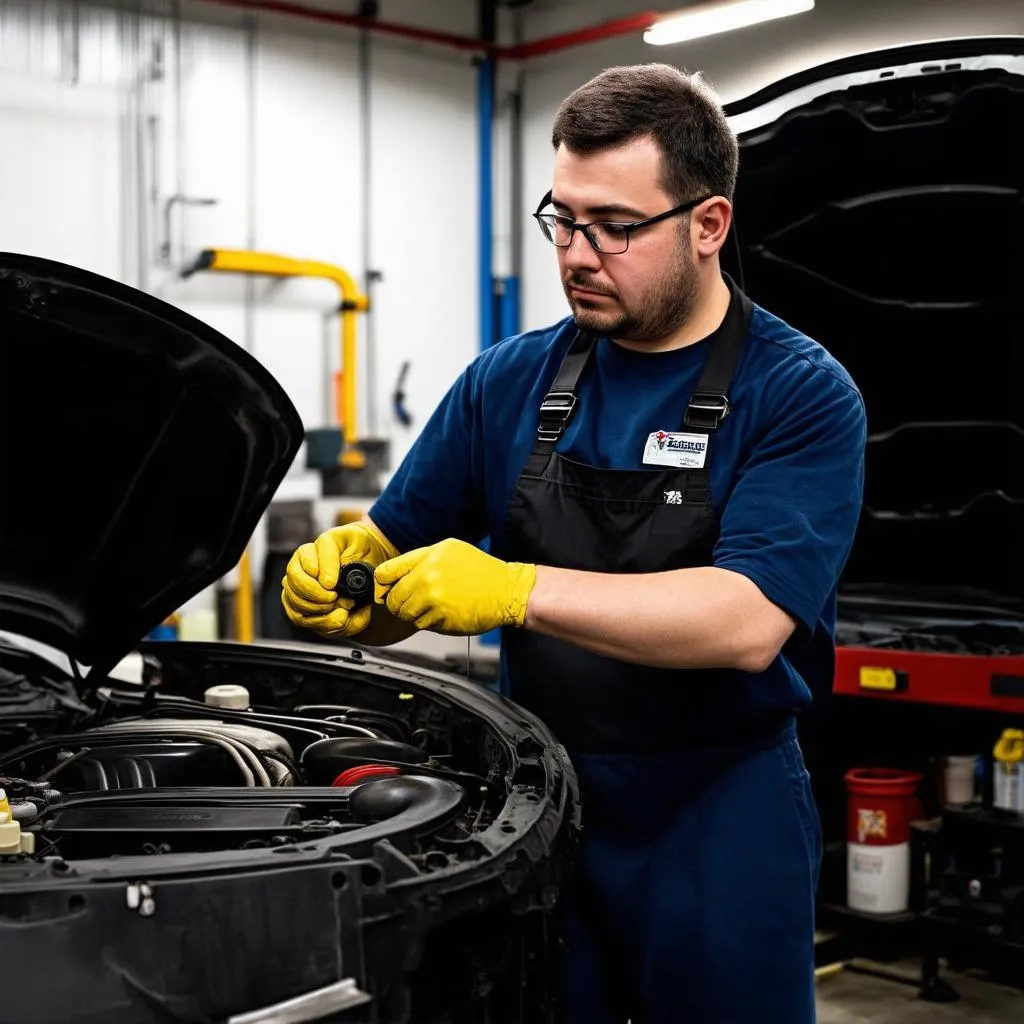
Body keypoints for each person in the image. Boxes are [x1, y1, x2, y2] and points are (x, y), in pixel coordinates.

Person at [282, 63, 866, 1024]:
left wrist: (513, 589)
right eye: (564, 218)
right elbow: (389, 568)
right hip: (539, 803)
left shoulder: (799, 393)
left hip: (721, 812)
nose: (578, 255)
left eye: (617, 227)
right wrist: (346, 586)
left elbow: (746, 621)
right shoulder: (504, 384)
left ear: (708, 224)